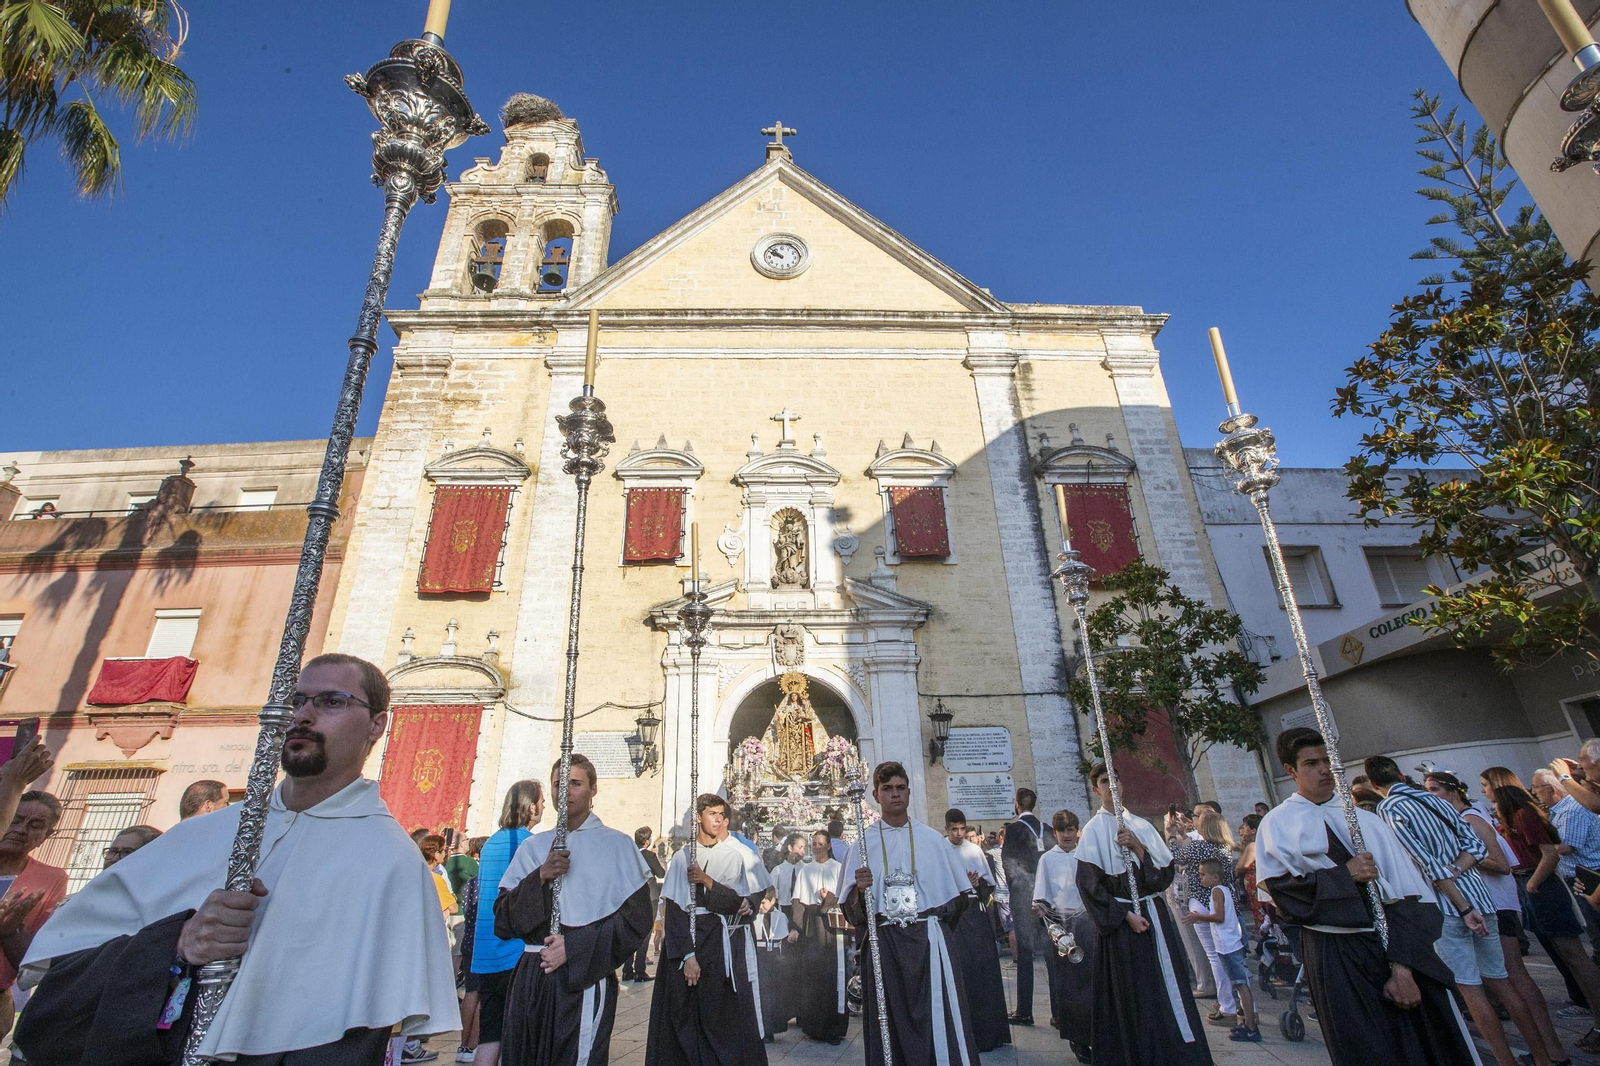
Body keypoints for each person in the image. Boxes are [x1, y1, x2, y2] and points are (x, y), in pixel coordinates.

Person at [14, 652, 460, 1065]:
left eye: (331, 701)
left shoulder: (392, 864)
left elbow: (357, 1032)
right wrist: (177, 942)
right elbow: (68, 971)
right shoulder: (203, 835)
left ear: (377, 725)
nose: (302, 715)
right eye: (295, 700)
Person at [1256, 728, 1473, 1066]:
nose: (1325, 770)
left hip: (1395, 946)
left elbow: (1411, 895)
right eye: (1311, 763)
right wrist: (1345, 876)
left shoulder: (1367, 821)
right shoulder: (1277, 824)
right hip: (1334, 955)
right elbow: (1286, 897)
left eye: (1328, 761)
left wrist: (1403, 970)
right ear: (1290, 771)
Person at [1364, 755, 1540, 1066]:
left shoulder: (1389, 808)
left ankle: (1505, 1061)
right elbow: (1476, 846)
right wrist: (1458, 870)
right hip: (1479, 896)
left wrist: (1457, 896)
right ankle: (1543, 1057)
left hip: (1446, 905)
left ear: (1375, 785)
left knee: (1471, 988)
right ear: (1402, 775)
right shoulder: (1439, 802)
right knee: (1501, 979)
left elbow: (1425, 862)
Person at [493, 755, 653, 1066]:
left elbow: (636, 921)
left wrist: (575, 947)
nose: (564, 791)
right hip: (531, 978)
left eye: (575, 784)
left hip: (583, 980)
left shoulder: (617, 846)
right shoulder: (533, 848)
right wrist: (540, 876)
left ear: (594, 789)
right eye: (557, 785)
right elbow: (503, 920)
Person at [839, 761, 980, 1066]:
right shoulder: (864, 844)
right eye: (887, 789)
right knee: (889, 1022)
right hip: (886, 945)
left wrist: (932, 922)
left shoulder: (932, 840)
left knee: (936, 1018)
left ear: (909, 792)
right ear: (876, 795)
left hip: (929, 942)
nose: (895, 795)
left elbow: (957, 901)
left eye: (901, 788)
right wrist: (861, 892)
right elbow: (852, 913)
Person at [1426, 768, 1569, 1065]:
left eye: (1435, 789)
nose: (1431, 797)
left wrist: (1454, 865)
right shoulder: (1461, 818)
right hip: (1490, 903)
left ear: (1453, 791)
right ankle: (1546, 1051)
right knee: (1505, 980)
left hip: (1496, 904)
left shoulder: (1469, 818)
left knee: (1511, 978)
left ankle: (1550, 1052)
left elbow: (1502, 864)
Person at [1075, 765, 1211, 1066]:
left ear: (1123, 785)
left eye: (1115, 779)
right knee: (1131, 993)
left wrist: (1138, 847)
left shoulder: (1142, 825)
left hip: (1154, 918)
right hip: (1123, 926)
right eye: (1103, 782)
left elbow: (1162, 877)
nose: (1111, 785)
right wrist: (1125, 915)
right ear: (1096, 790)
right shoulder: (1093, 832)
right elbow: (1090, 889)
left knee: (1164, 988)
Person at [646, 793, 769, 1066]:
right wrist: (687, 956)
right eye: (712, 813)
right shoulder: (682, 857)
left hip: (724, 942)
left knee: (724, 1013)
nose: (718, 819)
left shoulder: (736, 854)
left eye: (721, 815)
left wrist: (711, 883)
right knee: (686, 1013)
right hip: (692, 941)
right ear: (698, 817)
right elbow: (676, 911)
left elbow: (745, 899)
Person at [1485, 764, 1600, 1054]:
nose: (1484, 792)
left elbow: (1548, 853)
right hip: (1532, 885)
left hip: (1542, 885)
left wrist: (1534, 884)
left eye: (1486, 786)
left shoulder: (1523, 814)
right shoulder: (1513, 815)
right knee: (1568, 957)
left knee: (1576, 957)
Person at [471, 779, 544, 1066]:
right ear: (531, 806)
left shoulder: (490, 843)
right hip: (513, 951)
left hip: (485, 951)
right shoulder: (528, 843)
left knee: (490, 1033)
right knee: (516, 1035)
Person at [0, 737, 58, 1039]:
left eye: (35, 825)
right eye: (16, 819)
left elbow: (30, 963)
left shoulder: (52, 879)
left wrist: (9, 929)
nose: (21, 830)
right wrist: (13, 781)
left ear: (49, 835)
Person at [943, 808, 1009, 1051]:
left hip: (974, 913)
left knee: (983, 970)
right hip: (953, 916)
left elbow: (988, 886)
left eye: (962, 829)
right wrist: (961, 884)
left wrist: (977, 884)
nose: (959, 834)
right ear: (947, 828)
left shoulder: (973, 851)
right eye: (954, 829)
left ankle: (988, 1032)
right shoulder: (940, 850)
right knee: (958, 970)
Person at [1033, 809, 1093, 1064]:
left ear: (1078, 831)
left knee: (1093, 982)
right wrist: (1042, 911)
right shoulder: (1047, 859)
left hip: (1090, 924)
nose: (1067, 835)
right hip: (1063, 926)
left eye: (1071, 830)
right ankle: (1077, 1038)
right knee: (1069, 986)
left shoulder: (1088, 856)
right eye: (1062, 831)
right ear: (1055, 833)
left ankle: (1097, 1032)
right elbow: (1040, 897)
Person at [1171, 807, 1238, 1027]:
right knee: (1229, 954)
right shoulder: (1225, 848)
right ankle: (1240, 1004)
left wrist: (1173, 836)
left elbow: (1177, 857)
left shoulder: (1199, 846)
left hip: (1200, 901)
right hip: (1225, 901)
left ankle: (1226, 1004)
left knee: (1213, 954)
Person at [1182, 857, 1260, 1042]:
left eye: (1203, 875)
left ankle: (1250, 1026)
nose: (1200, 879)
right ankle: (1247, 1022)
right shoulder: (1223, 889)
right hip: (1228, 944)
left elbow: (1219, 916)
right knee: (1239, 984)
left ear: (1215, 877)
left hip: (1228, 946)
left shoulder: (1217, 890)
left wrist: (1198, 917)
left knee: (1241, 984)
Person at [1533, 768, 1600, 958]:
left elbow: (1566, 847)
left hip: (1589, 875)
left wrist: (1540, 847)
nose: (1535, 792)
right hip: (1581, 876)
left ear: (1553, 789)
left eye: (1537, 788)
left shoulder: (1572, 810)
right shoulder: (1560, 810)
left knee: (1596, 929)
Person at [792, 830, 846, 1043]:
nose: (816, 847)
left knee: (833, 975)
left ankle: (834, 1028)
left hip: (833, 929)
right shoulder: (806, 870)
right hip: (813, 926)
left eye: (820, 844)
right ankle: (814, 1026)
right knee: (814, 974)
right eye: (813, 844)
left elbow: (844, 898)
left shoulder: (838, 869)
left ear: (829, 845)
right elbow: (798, 900)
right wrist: (795, 927)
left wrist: (830, 899)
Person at [1000, 785, 1047, 1025]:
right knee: (1053, 951)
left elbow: (1008, 862)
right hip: (1046, 898)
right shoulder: (1046, 829)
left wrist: (1016, 891)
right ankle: (1058, 1013)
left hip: (1023, 896)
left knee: (1025, 954)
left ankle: (1025, 1011)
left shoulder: (1014, 829)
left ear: (1017, 804)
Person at [623, 826, 667, 982]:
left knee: (630, 931)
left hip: (630, 896)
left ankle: (627, 970)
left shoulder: (628, 854)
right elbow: (661, 874)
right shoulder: (648, 855)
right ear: (647, 841)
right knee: (645, 933)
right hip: (649, 896)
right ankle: (640, 970)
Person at [420, 834, 457, 919]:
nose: (445, 853)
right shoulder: (435, 878)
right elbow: (453, 908)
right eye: (444, 850)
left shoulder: (415, 873)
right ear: (436, 854)